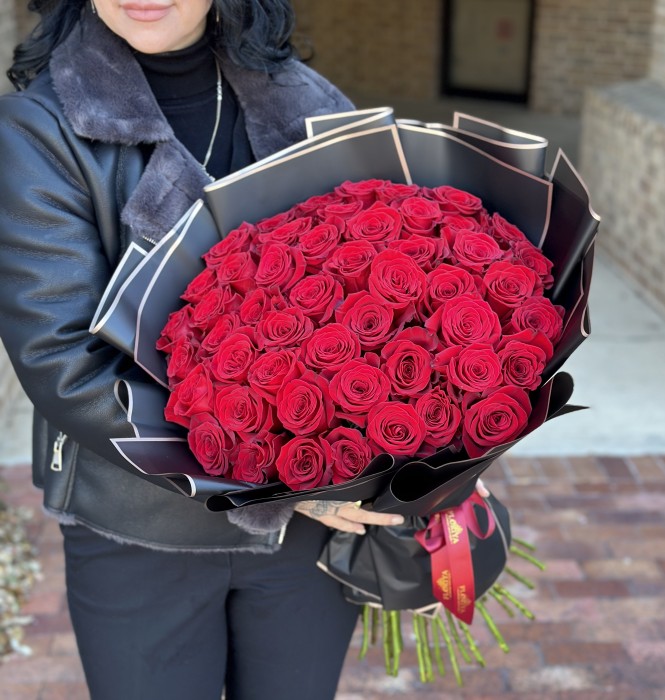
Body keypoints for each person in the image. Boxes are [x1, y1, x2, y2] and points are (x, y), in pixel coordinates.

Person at [0, 2, 410, 698]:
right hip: (139, 529)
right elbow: (65, 364)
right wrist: (279, 477)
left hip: (301, 542)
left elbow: (389, 290)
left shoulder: (308, 103)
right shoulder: (38, 131)